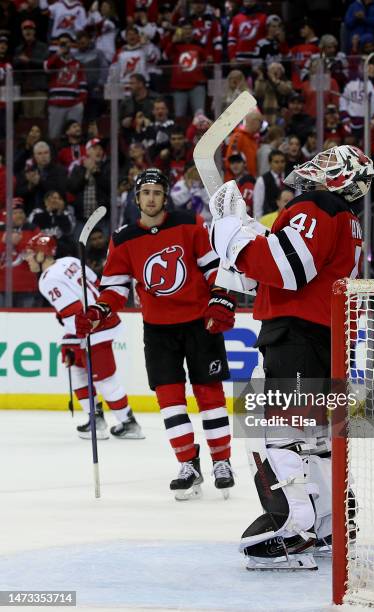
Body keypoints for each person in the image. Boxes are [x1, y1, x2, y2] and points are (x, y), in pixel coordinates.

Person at [208, 145, 374, 568]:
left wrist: (229, 231)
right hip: (325, 337)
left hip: (298, 335)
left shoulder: (317, 203)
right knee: (318, 440)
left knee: (280, 434)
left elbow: (286, 267)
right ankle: (331, 525)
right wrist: (243, 239)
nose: (317, 163)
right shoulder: (344, 217)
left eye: (328, 161)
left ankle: (292, 529)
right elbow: (282, 273)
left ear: (339, 176)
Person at [73, 168, 236, 500]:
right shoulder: (124, 238)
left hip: (198, 323)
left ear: (165, 196)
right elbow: (114, 287)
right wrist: (98, 312)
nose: (151, 198)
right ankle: (188, 463)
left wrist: (221, 297)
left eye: (156, 192)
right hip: (158, 330)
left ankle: (222, 460)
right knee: (169, 398)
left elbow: (211, 267)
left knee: (210, 395)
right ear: (137, 199)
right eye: (145, 192)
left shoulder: (189, 223)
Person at [23, 233, 144, 440]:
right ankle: (95, 419)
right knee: (76, 368)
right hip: (100, 317)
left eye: (31, 254)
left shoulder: (47, 279)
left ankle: (128, 422)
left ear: (43, 255)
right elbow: (97, 283)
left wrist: (76, 333)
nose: (27, 258)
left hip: (92, 327)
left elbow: (73, 311)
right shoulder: (69, 261)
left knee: (105, 378)